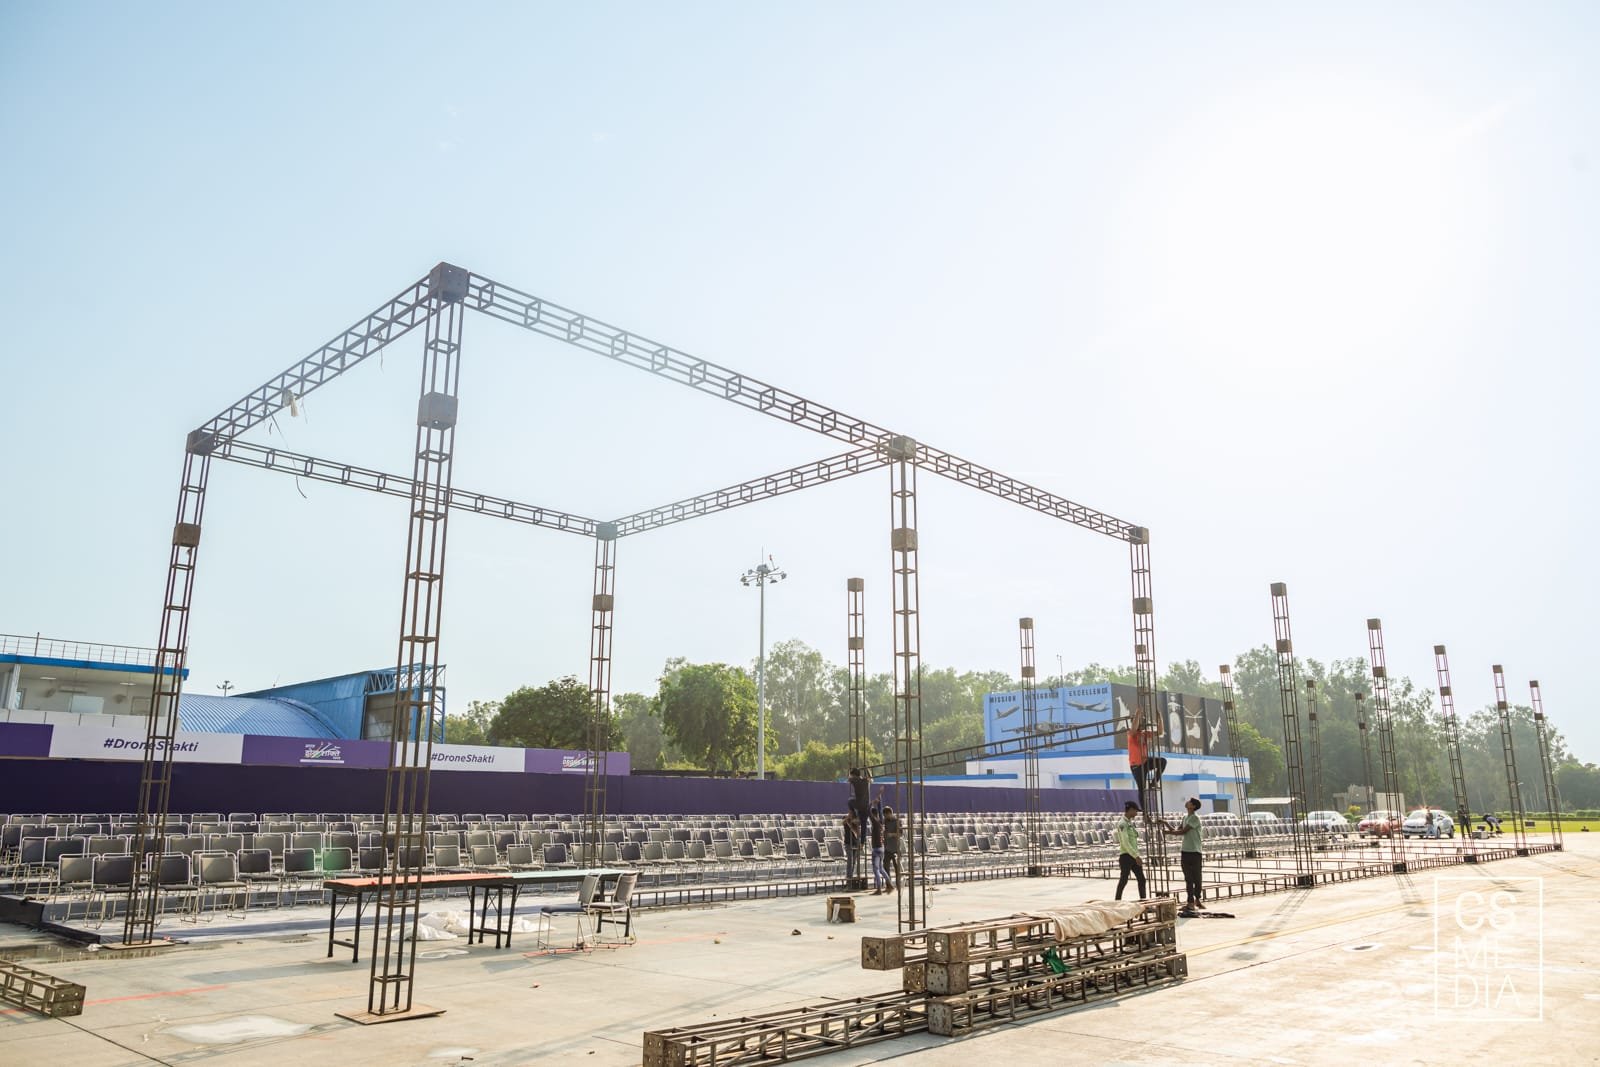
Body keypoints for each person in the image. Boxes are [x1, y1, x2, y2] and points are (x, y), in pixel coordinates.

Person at [1162, 797, 1205, 911]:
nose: (1187, 802)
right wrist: (1166, 824)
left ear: (1193, 806)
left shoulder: (1194, 818)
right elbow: (1176, 829)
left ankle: (1197, 899)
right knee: (1188, 878)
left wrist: (1168, 832)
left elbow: (1182, 831)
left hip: (1195, 851)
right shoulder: (1185, 817)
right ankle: (1190, 901)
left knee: (1197, 877)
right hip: (1186, 850)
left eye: (1190, 802)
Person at [1127, 714, 1167, 799]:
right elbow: (1134, 727)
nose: (1142, 723)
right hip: (1136, 766)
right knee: (1142, 790)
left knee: (1162, 761)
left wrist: (1160, 718)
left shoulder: (1144, 733)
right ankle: (1144, 807)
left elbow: (1160, 732)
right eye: (1140, 721)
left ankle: (1154, 782)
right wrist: (1138, 713)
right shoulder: (1131, 733)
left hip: (1145, 762)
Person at [1114, 800, 1147, 901]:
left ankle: (1143, 901)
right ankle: (1117, 901)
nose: (1136, 813)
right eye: (1135, 811)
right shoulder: (1122, 823)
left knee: (1141, 879)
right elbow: (1125, 842)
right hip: (1126, 856)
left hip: (1133, 855)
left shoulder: (1129, 823)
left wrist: (1136, 855)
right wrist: (1136, 856)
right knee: (1124, 880)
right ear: (1131, 810)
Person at [868, 801, 888, 894]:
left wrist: (871, 803)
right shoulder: (880, 822)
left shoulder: (875, 822)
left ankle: (879, 888)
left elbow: (868, 811)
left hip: (876, 849)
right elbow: (880, 811)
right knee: (881, 869)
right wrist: (879, 801)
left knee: (876, 869)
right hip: (881, 848)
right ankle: (889, 884)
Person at [882, 804, 902, 892]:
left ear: (890, 813)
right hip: (887, 848)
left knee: (897, 868)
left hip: (895, 848)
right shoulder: (885, 821)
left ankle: (898, 885)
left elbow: (900, 833)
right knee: (885, 867)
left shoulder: (897, 821)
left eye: (886, 815)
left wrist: (892, 834)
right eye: (884, 816)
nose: (885, 817)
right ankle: (889, 885)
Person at [842, 809, 862, 888]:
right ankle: (848, 881)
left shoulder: (856, 820)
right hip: (848, 843)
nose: (850, 813)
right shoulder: (846, 819)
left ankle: (851, 878)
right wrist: (848, 818)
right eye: (850, 812)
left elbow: (858, 831)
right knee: (850, 861)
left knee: (853, 862)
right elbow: (843, 822)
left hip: (855, 843)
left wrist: (854, 821)